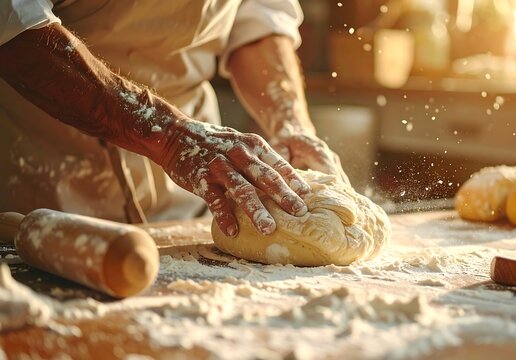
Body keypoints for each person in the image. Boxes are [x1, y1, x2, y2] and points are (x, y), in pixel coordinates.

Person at [0, 0, 348, 237]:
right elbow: (15, 25)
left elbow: (258, 15)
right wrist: (170, 136)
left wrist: (290, 122)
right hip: (40, 193)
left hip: (193, 200)